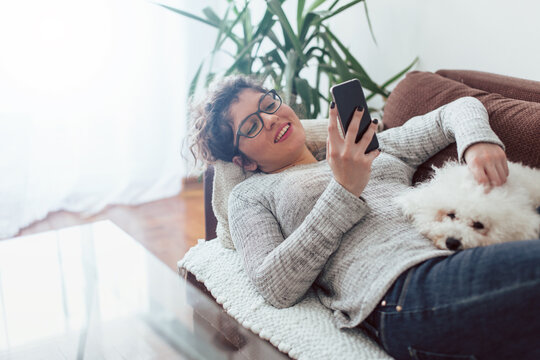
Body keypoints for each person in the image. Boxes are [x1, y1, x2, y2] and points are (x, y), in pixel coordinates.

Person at [189, 75, 540, 360]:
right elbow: (274, 285)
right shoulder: (251, 195)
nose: (270, 118)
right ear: (244, 162)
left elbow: (460, 108)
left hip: (460, 257)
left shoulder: (374, 147)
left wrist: (477, 142)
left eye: (268, 103)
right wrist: (343, 190)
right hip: (401, 292)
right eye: (251, 125)